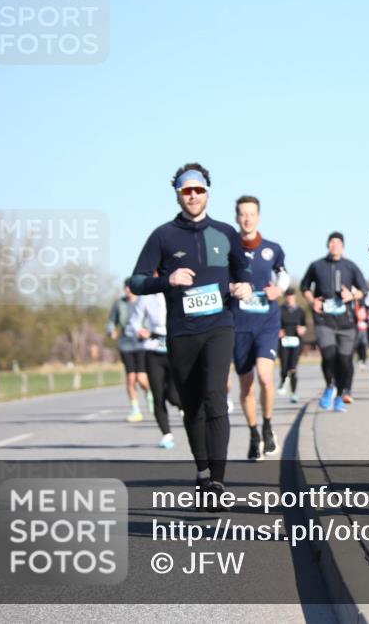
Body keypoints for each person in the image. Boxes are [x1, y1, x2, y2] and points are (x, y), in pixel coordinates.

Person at [130, 163, 253, 509]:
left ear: (207, 193)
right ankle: (201, 473)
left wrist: (244, 287)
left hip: (219, 326)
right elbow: (136, 281)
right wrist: (165, 281)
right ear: (179, 195)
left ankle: (217, 480)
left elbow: (243, 275)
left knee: (215, 397)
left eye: (198, 190)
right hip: (182, 332)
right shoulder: (163, 236)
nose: (193, 196)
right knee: (192, 406)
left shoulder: (226, 233)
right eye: (187, 191)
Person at [231, 196, 290, 461]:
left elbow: (283, 274)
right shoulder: (227, 249)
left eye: (251, 213)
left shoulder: (272, 249)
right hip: (239, 324)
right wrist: (231, 288)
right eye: (243, 214)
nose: (247, 218)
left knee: (266, 377)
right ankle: (254, 433)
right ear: (237, 218)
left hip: (267, 321)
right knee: (246, 388)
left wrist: (280, 288)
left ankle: (267, 425)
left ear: (259, 217)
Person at [300, 232, 367, 413]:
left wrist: (352, 295)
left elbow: (364, 289)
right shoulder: (317, 265)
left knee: (345, 361)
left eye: (338, 242)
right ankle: (330, 386)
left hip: (346, 322)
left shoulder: (350, 266)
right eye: (332, 242)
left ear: (343, 246)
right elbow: (304, 286)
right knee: (328, 356)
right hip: (324, 320)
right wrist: (312, 301)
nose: (335, 245)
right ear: (328, 245)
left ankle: (339, 397)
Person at [128, 284, 181, 449]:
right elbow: (134, 322)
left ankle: (183, 406)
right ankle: (166, 434)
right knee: (157, 395)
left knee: (173, 394)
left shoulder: (178, 291)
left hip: (175, 346)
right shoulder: (146, 297)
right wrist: (139, 331)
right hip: (153, 349)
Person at [106, 281, 152, 422]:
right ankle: (135, 410)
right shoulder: (119, 303)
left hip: (141, 344)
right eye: (126, 287)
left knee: (141, 378)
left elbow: (151, 319)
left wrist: (148, 331)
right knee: (131, 378)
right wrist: (111, 331)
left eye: (130, 287)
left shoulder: (143, 301)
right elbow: (112, 321)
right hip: (126, 344)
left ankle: (150, 393)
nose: (128, 289)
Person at [278, 289, 307, 401]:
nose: (289, 299)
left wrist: (302, 330)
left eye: (291, 297)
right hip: (283, 341)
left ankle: (293, 393)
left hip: (296, 341)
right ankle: (283, 380)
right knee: (284, 366)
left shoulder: (300, 311)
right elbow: (275, 324)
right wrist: (278, 331)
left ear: (294, 297)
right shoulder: (280, 310)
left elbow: (304, 326)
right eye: (288, 297)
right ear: (285, 297)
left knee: (293, 368)